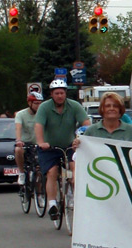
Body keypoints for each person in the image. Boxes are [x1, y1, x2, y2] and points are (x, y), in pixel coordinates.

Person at [74, 92, 132, 248]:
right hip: (99, 194)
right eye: (107, 105)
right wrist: (78, 146)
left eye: (115, 106)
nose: (111, 108)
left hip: (123, 192)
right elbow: (83, 157)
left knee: (120, 239)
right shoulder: (92, 131)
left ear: (121, 109)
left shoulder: (130, 131)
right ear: (102, 109)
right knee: (102, 240)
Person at [35, 79, 90, 220]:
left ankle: (78, 199)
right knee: (52, 172)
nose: (60, 96)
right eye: (57, 93)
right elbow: (39, 125)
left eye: (62, 93)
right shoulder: (44, 107)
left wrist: (82, 135)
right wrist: (41, 142)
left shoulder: (74, 106)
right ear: (52, 94)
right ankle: (52, 204)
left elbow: (86, 122)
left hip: (70, 145)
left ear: (65, 93)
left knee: (75, 169)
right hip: (50, 147)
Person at [15, 92, 44, 185]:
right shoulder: (21, 114)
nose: (38, 106)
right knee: (18, 150)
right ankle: (21, 173)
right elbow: (18, 127)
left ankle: (40, 195)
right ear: (29, 103)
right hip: (25, 143)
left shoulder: (43, 114)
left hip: (39, 143)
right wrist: (19, 140)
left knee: (39, 171)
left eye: (40, 103)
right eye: (36, 103)